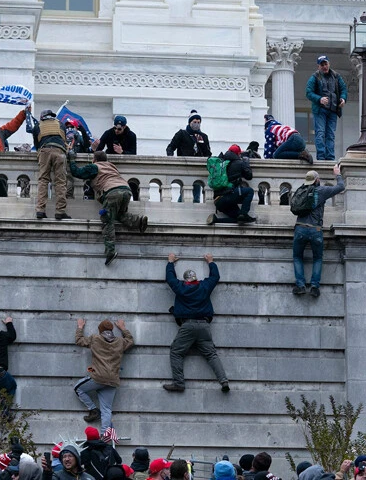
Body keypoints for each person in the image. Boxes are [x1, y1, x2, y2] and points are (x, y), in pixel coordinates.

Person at [162, 253, 229, 393]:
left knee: (176, 352)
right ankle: (223, 380)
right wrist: (211, 261)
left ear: (185, 280)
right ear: (195, 279)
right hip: (204, 326)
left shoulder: (181, 288)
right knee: (211, 355)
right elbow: (215, 277)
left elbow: (170, 278)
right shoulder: (204, 286)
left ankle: (179, 383)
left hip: (188, 325)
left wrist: (170, 262)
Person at [68, 150, 149, 265]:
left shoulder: (95, 167)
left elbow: (77, 172)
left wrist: (71, 159)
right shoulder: (112, 166)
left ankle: (110, 251)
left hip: (112, 192)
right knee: (119, 214)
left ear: (94, 159)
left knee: (107, 220)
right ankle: (139, 222)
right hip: (126, 190)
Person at [292, 165, 345, 297]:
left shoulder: (300, 190)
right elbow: (340, 187)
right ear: (317, 180)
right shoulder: (321, 190)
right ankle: (314, 287)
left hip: (300, 228)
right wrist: (337, 174)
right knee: (317, 258)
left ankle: (300, 285)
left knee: (297, 257)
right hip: (315, 229)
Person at [74, 318, 135, 431]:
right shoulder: (120, 342)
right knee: (106, 409)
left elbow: (79, 340)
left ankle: (93, 409)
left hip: (98, 377)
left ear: (99, 330)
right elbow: (130, 341)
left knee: (78, 388)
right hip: (113, 380)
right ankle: (105, 436)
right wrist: (123, 328)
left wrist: (80, 327)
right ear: (112, 330)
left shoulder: (95, 339)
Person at [28, 109, 70, 220]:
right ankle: (60, 211)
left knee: (43, 180)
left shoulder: (38, 126)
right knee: (60, 181)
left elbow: (37, 144)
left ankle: (40, 210)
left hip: (45, 151)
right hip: (59, 151)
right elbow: (64, 139)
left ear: (42, 117)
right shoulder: (60, 124)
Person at [306, 55, 347, 161]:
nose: (324, 66)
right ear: (318, 66)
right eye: (322, 65)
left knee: (331, 134)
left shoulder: (336, 76)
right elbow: (308, 93)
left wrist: (343, 98)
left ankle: (330, 157)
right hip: (320, 110)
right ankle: (321, 157)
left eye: (326, 64)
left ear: (329, 64)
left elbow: (343, 89)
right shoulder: (314, 77)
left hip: (333, 110)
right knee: (320, 133)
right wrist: (319, 99)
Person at [166, 110, 211, 202]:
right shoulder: (182, 134)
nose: (197, 124)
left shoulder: (203, 136)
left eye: (198, 123)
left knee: (197, 193)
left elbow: (207, 153)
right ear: (190, 122)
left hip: (198, 168)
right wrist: (171, 159)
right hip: (185, 166)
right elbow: (171, 147)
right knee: (185, 191)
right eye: (194, 122)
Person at [207, 145, 256, 225]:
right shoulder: (239, 163)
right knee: (249, 191)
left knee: (238, 219)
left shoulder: (220, 162)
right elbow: (249, 176)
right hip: (229, 195)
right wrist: (246, 163)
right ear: (238, 154)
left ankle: (216, 220)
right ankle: (244, 214)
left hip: (218, 200)